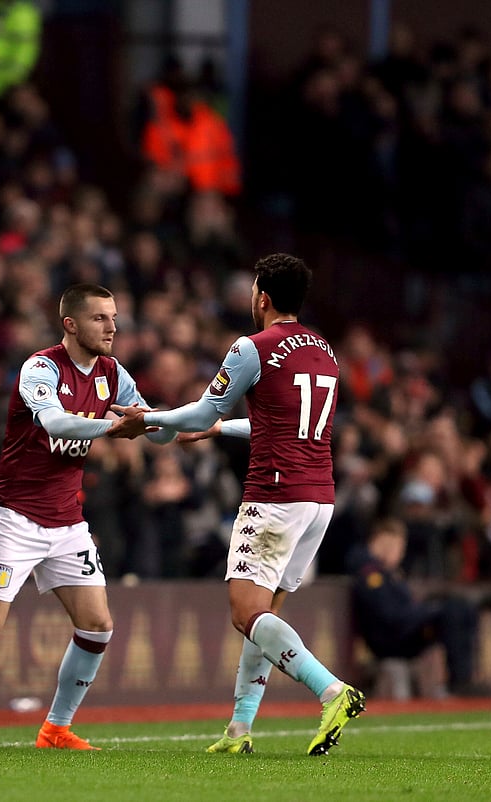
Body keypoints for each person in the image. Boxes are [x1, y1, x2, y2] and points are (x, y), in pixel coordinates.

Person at [113, 253, 366, 756]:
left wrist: (150, 419)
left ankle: (331, 690)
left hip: (275, 495)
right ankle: (239, 728)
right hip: (318, 498)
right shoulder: (325, 352)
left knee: (246, 612)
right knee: (264, 616)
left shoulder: (252, 347)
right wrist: (223, 429)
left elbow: (202, 409)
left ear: (262, 297)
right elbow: (283, 424)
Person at [0, 283, 170, 751]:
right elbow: (55, 422)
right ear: (70, 324)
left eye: (113, 317)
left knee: (97, 625)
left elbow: (150, 427)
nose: (112, 327)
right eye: (100, 318)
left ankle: (55, 729)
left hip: (67, 521)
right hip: (14, 517)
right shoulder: (41, 368)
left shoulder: (112, 373)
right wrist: (115, 427)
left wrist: (184, 423)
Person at [352, 518, 491, 697]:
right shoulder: (370, 573)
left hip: (404, 630)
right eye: (397, 546)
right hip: (389, 639)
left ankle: (469, 677)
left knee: (462, 607)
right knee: (450, 612)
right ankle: (459, 681)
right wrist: (426, 612)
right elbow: (389, 615)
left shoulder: (389, 573)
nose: (399, 553)